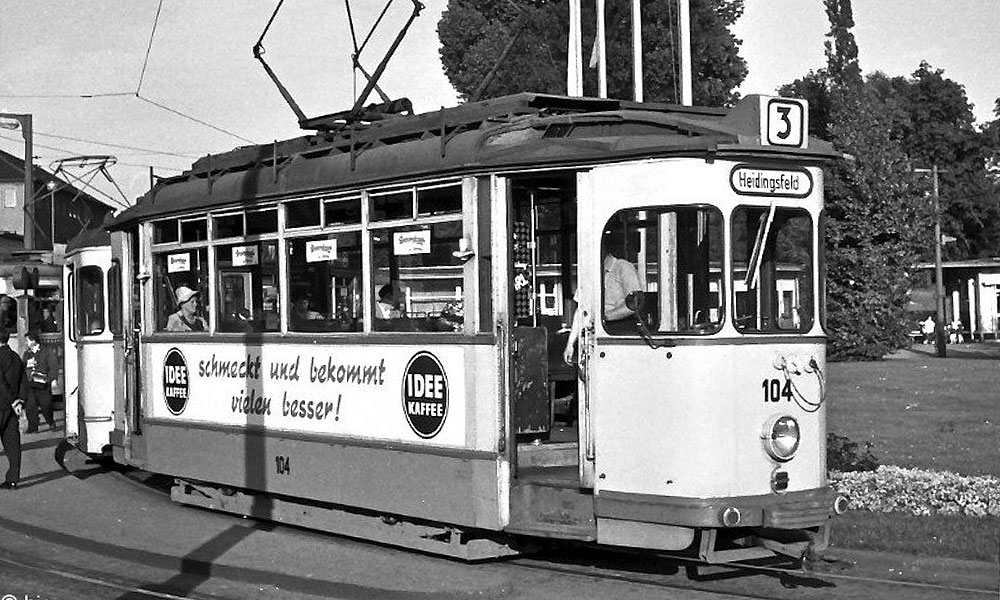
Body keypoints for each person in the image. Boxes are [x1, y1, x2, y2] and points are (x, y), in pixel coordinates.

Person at [563, 245, 643, 364]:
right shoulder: (589, 274)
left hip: (620, 338)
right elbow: (581, 310)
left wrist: (603, 318)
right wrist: (570, 344)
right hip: (594, 341)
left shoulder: (623, 267)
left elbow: (635, 304)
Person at [0, 328, 23, 488]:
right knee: (12, 442)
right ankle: (13, 478)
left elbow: (0, 383)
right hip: (12, 408)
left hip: (2, 402)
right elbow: (23, 382)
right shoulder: (16, 357)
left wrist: (12, 399)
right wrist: (19, 401)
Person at [21, 331, 57, 434]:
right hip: (31, 384)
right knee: (30, 407)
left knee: (46, 405)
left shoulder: (46, 351)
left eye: (27, 340)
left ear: (33, 340)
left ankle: (50, 421)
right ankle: (33, 427)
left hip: (43, 384)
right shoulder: (27, 354)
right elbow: (23, 367)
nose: (26, 343)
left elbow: (53, 366)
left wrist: (49, 378)